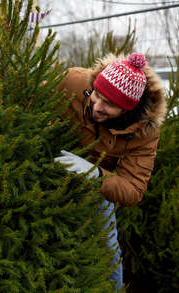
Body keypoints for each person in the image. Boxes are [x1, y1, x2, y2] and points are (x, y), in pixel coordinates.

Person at [54, 53, 166, 290]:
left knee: (107, 249)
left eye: (109, 105)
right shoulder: (73, 82)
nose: (97, 106)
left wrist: (95, 174)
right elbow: (28, 97)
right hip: (50, 176)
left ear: (128, 110)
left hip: (96, 189)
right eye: (97, 95)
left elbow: (134, 189)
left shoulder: (144, 131)